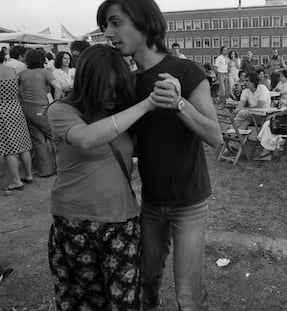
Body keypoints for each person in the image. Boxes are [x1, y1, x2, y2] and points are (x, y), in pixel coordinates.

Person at [97, 1, 223, 310]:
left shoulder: (185, 70)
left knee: (189, 296)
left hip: (190, 203)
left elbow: (215, 137)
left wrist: (180, 103)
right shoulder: (128, 82)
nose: (108, 33)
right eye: (105, 26)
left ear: (143, 21)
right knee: (146, 279)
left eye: (115, 23)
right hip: (150, 202)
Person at [47, 44, 153, 310]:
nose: (114, 95)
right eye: (107, 87)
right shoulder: (62, 111)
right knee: (82, 302)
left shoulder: (122, 113)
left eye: (119, 88)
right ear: (87, 81)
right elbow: (86, 139)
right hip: (74, 223)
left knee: (124, 301)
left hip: (120, 222)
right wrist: (146, 105)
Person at [19, 49, 62, 177]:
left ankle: (45, 170)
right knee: (55, 137)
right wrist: (55, 103)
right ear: (42, 59)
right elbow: (58, 87)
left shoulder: (22, 74)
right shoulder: (45, 72)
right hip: (41, 108)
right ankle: (62, 168)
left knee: (38, 141)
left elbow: (17, 91)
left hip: (26, 109)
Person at [0, 50, 33, 191]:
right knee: (22, 144)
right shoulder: (11, 70)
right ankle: (29, 175)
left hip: (2, 111)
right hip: (16, 108)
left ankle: (16, 181)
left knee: (9, 149)